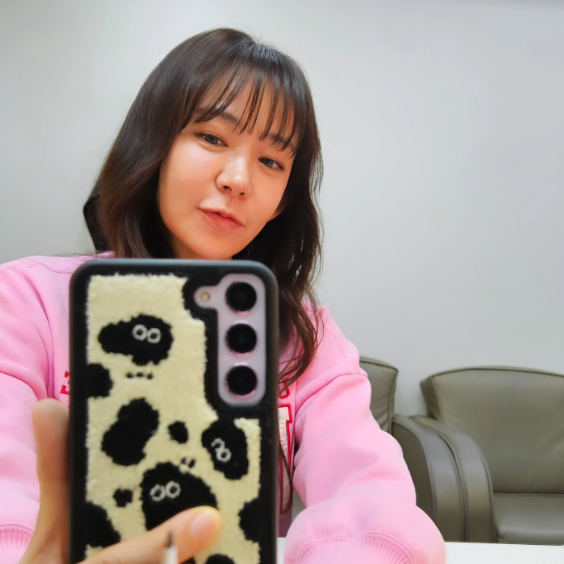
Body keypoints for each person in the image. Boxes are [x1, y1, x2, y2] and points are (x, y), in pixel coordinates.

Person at [0, 29, 446, 564]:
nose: (238, 179)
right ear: (154, 143)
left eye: (272, 162)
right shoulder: (28, 301)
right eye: (212, 137)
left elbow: (370, 497)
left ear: (283, 201)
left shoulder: (304, 338)